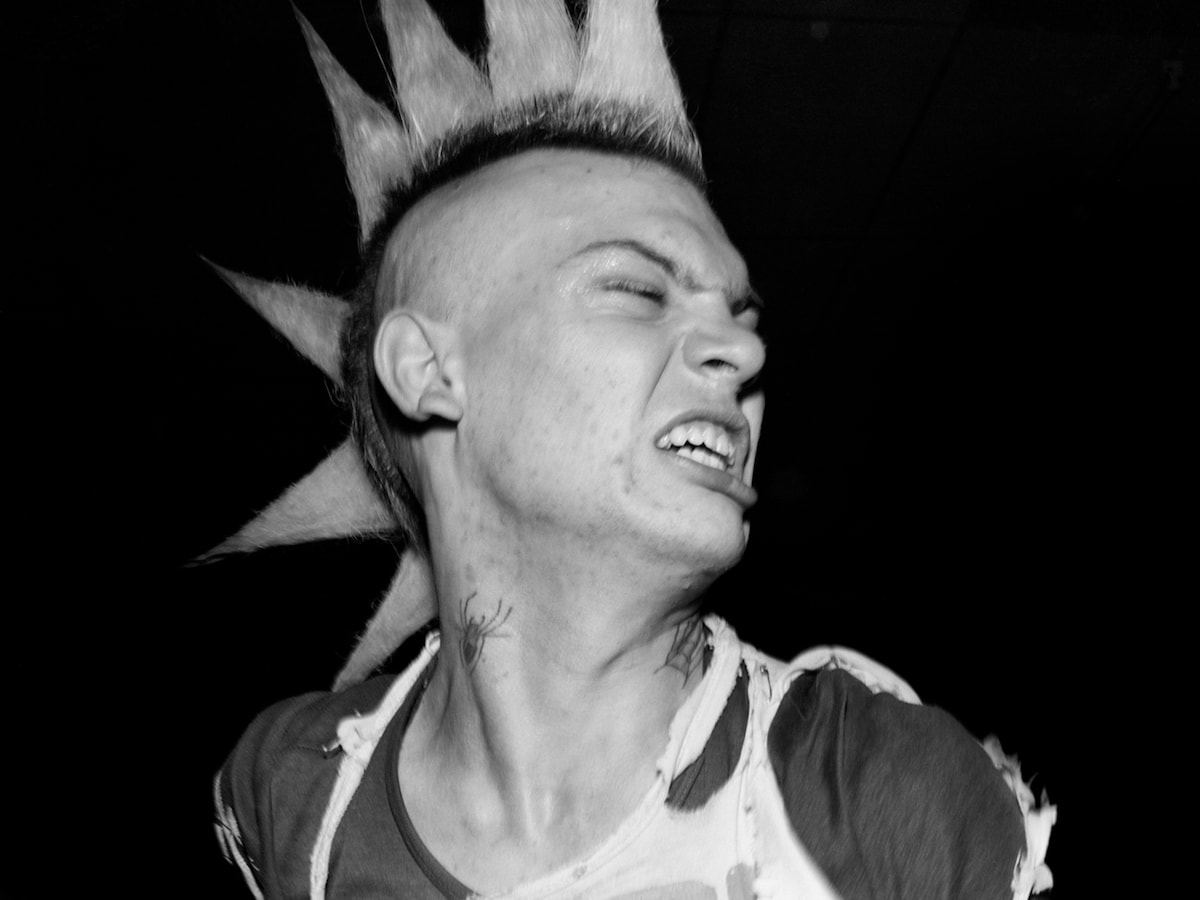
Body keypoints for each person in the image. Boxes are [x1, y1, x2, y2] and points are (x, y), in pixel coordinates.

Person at [212, 2, 1055, 898]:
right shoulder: (288, 792)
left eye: (741, 317)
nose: (745, 352)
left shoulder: (883, 793)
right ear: (428, 373)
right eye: (637, 290)